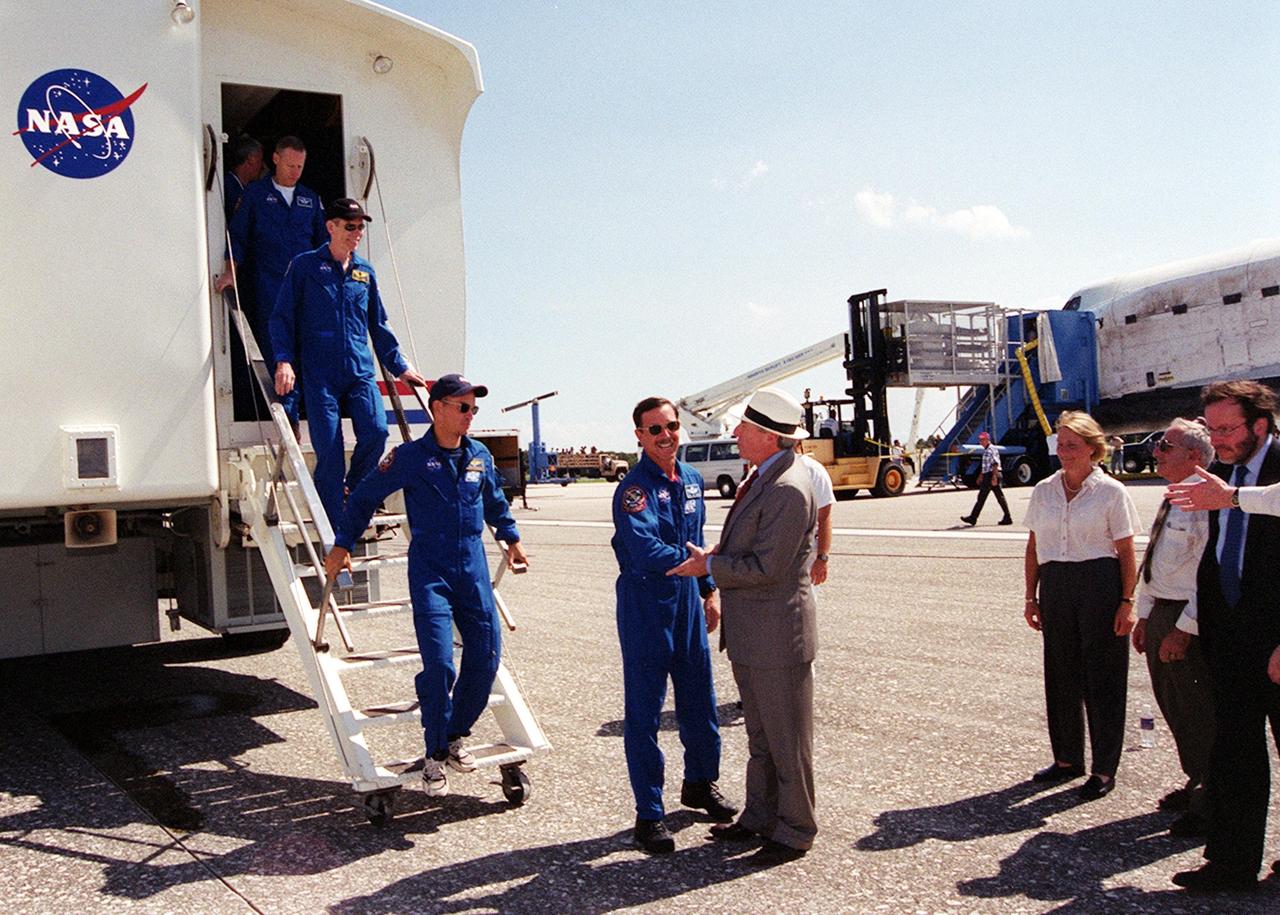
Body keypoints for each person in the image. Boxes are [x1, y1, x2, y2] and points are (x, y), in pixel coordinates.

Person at [325, 373, 528, 797]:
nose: (471, 415)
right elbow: (363, 496)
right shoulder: (410, 457)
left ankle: (455, 736)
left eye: (474, 408)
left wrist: (511, 540)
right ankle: (434, 753)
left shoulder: (480, 456)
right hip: (431, 571)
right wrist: (343, 544)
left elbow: (494, 504)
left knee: (486, 658)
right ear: (438, 408)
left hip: (472, 568)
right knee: (439, 667)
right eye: (463, 407)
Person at [668, 386, 818, 866]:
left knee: (787, 741)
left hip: (776, 634)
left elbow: (767, 567)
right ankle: (760, 816)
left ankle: (795, 829)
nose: (735, 432)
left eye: (744, 428)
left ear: (770, 437)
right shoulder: (765, 476)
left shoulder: (788, 489)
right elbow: (751, 550)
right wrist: (713, 557)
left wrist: (708, 570)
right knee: (761, 735)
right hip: (757, 633)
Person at [611, 397, 737, 854]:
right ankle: (649, 813)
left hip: (686, 598)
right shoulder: (633, 490)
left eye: (672, 426)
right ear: (640, 437)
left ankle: (700, 783)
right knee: (644, 712)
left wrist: (708, 590)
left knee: (700, 698)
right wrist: (698, 566)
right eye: (655, 429)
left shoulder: (690, 479)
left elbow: (696, 539)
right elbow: (644, 548)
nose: (667, 435)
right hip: (646, 601)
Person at [1169, 381, 1280, 892]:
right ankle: (1231, 865)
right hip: (1233, 638)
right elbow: (1214, 557)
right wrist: (1202, 628)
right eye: (1212, 430)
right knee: (1234, 751)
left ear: (1261, 424)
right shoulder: (1219, 473)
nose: (1220, 440)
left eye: (1228, 429)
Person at [270, 198, 426, 527]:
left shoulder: (364, 272)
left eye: (360, 227)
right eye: (350, 226)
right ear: (331, 227)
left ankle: (353, 491)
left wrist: (400, 366)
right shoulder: (305, 266)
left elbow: (378, 325)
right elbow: (282, 318)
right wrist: (284, 361)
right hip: (320, 374)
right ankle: (334, 524)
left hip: (359, 371)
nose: (357, 233)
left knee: (377, 433)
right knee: (329, 449)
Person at [1023, 411, 1140, 801]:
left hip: (1100, 584)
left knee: (1103, 676)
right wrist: (1031, 596)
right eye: (1060, 445)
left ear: (1093, 448)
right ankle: (1067, 759)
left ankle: (1104, 767)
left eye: (1072, 446)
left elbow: (1126, 551)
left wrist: (1127, 600)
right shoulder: (1044, 490)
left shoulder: (1111, 492)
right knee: (1060, 673)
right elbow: (1034, 546)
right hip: (1056, 583)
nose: (1064, 452)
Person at [1130, 418, 1215, 838]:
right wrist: (1144, 616)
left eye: (1165, 445)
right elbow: (1154, 563)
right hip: (1163, 610)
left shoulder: (1207, 503)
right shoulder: (1174, 497)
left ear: (1194, 457)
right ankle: (1197, 779)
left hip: (1188, 620)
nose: (1156, 452)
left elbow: (1209, 576)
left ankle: (1211, 800)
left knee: (1197, 711)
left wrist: (1183, 630)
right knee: (1174, 708)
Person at [216, 136, 329, 424]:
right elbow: (237, 239)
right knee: (278, 352)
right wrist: (231, 272)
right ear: (276, 159)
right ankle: (289, 419)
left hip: (306, 290)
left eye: (300, 166)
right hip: (270, 288)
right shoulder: (255, 195)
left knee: (310, 352)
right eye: (290, 164)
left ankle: (307, 416)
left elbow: (325, 246)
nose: (295, 171)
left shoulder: (310, 200)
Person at [794, 444, 835, 585]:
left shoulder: (813, 471)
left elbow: (824, 518)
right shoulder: (759, 470)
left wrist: (822, 558)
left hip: (804, 556)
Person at [961, 431, 1012, 526]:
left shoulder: (990, 449)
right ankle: (1007, 517)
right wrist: (981, 476)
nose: (981, 442)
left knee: (983, 497)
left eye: (983, 440)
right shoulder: (987, 450)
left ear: (988, 439)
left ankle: (973, 517)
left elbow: (995, 464)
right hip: (989, 474)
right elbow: (986, 465)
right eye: (980, 440)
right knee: (998, 497)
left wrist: (994, 477)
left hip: (991, 475)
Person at [223, 134, 263, 223]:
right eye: (260, 160)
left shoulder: (241, 187)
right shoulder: (228, 187)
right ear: (251, 159)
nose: (262, 167)